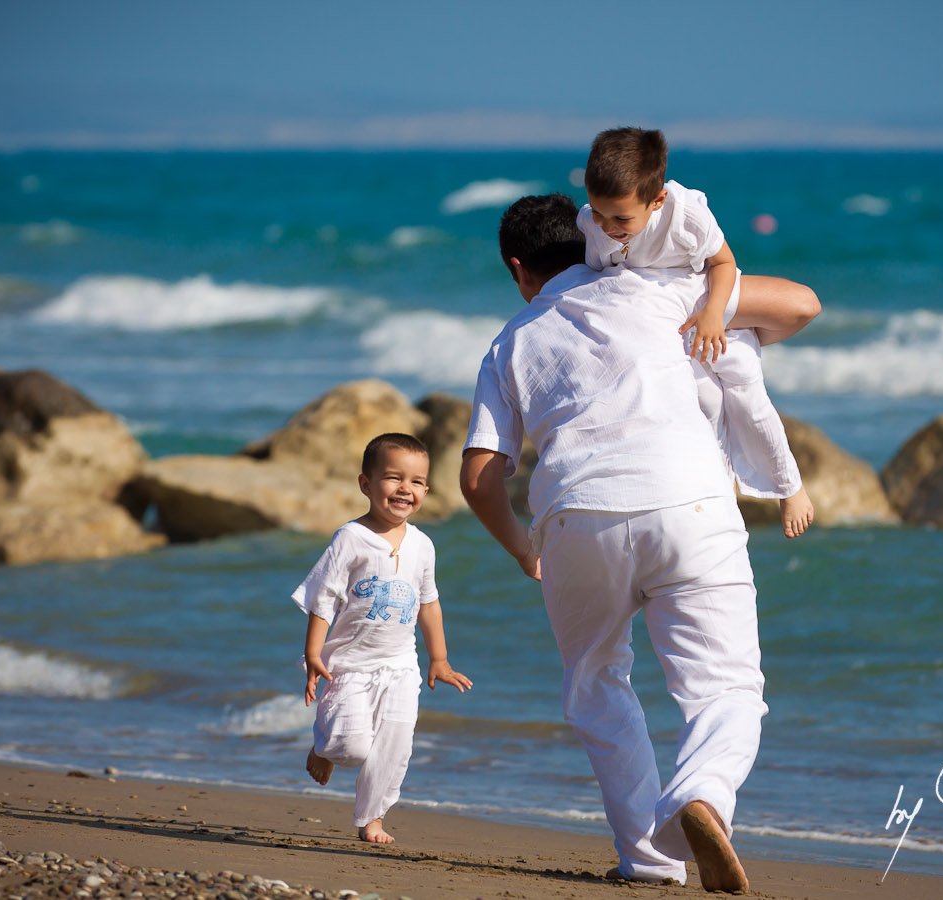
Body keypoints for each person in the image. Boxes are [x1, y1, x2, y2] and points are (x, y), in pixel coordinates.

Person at [460, 194, 819, 891]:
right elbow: (801, 304)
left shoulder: (511, 339)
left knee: (596, 685)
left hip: (574, 517)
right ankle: (702, 793)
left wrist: (521, 548)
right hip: (693, 505)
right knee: (726, 688)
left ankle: (649, 862)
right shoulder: (663, 289)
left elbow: (478, 478)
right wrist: (714, 304)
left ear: (518, 269)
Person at [580, 126, 813, 537]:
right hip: (670, 324)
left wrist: (713, 313)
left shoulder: (684, 213)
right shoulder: (593, 226)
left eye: (621, 218)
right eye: (599, 213)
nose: (607, 225)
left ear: (657, 200)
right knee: (705, 405)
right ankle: (722, 497)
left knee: (748, 397)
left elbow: (723, 263)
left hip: (712, 312)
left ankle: (789, 487)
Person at [293, 432, 472, 845]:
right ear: (366, 484)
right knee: (351, 747)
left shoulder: (423, 546)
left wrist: (438, 659)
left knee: (395, 744)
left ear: (427, 490)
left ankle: (371, 818)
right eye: (393, 478)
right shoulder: (350, 539)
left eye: (416, 482)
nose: (405, 489)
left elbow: (429, 603)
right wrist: (313, 652)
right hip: (350, 664)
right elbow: (324, 598)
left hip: (400, 666)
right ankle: (323, 748)